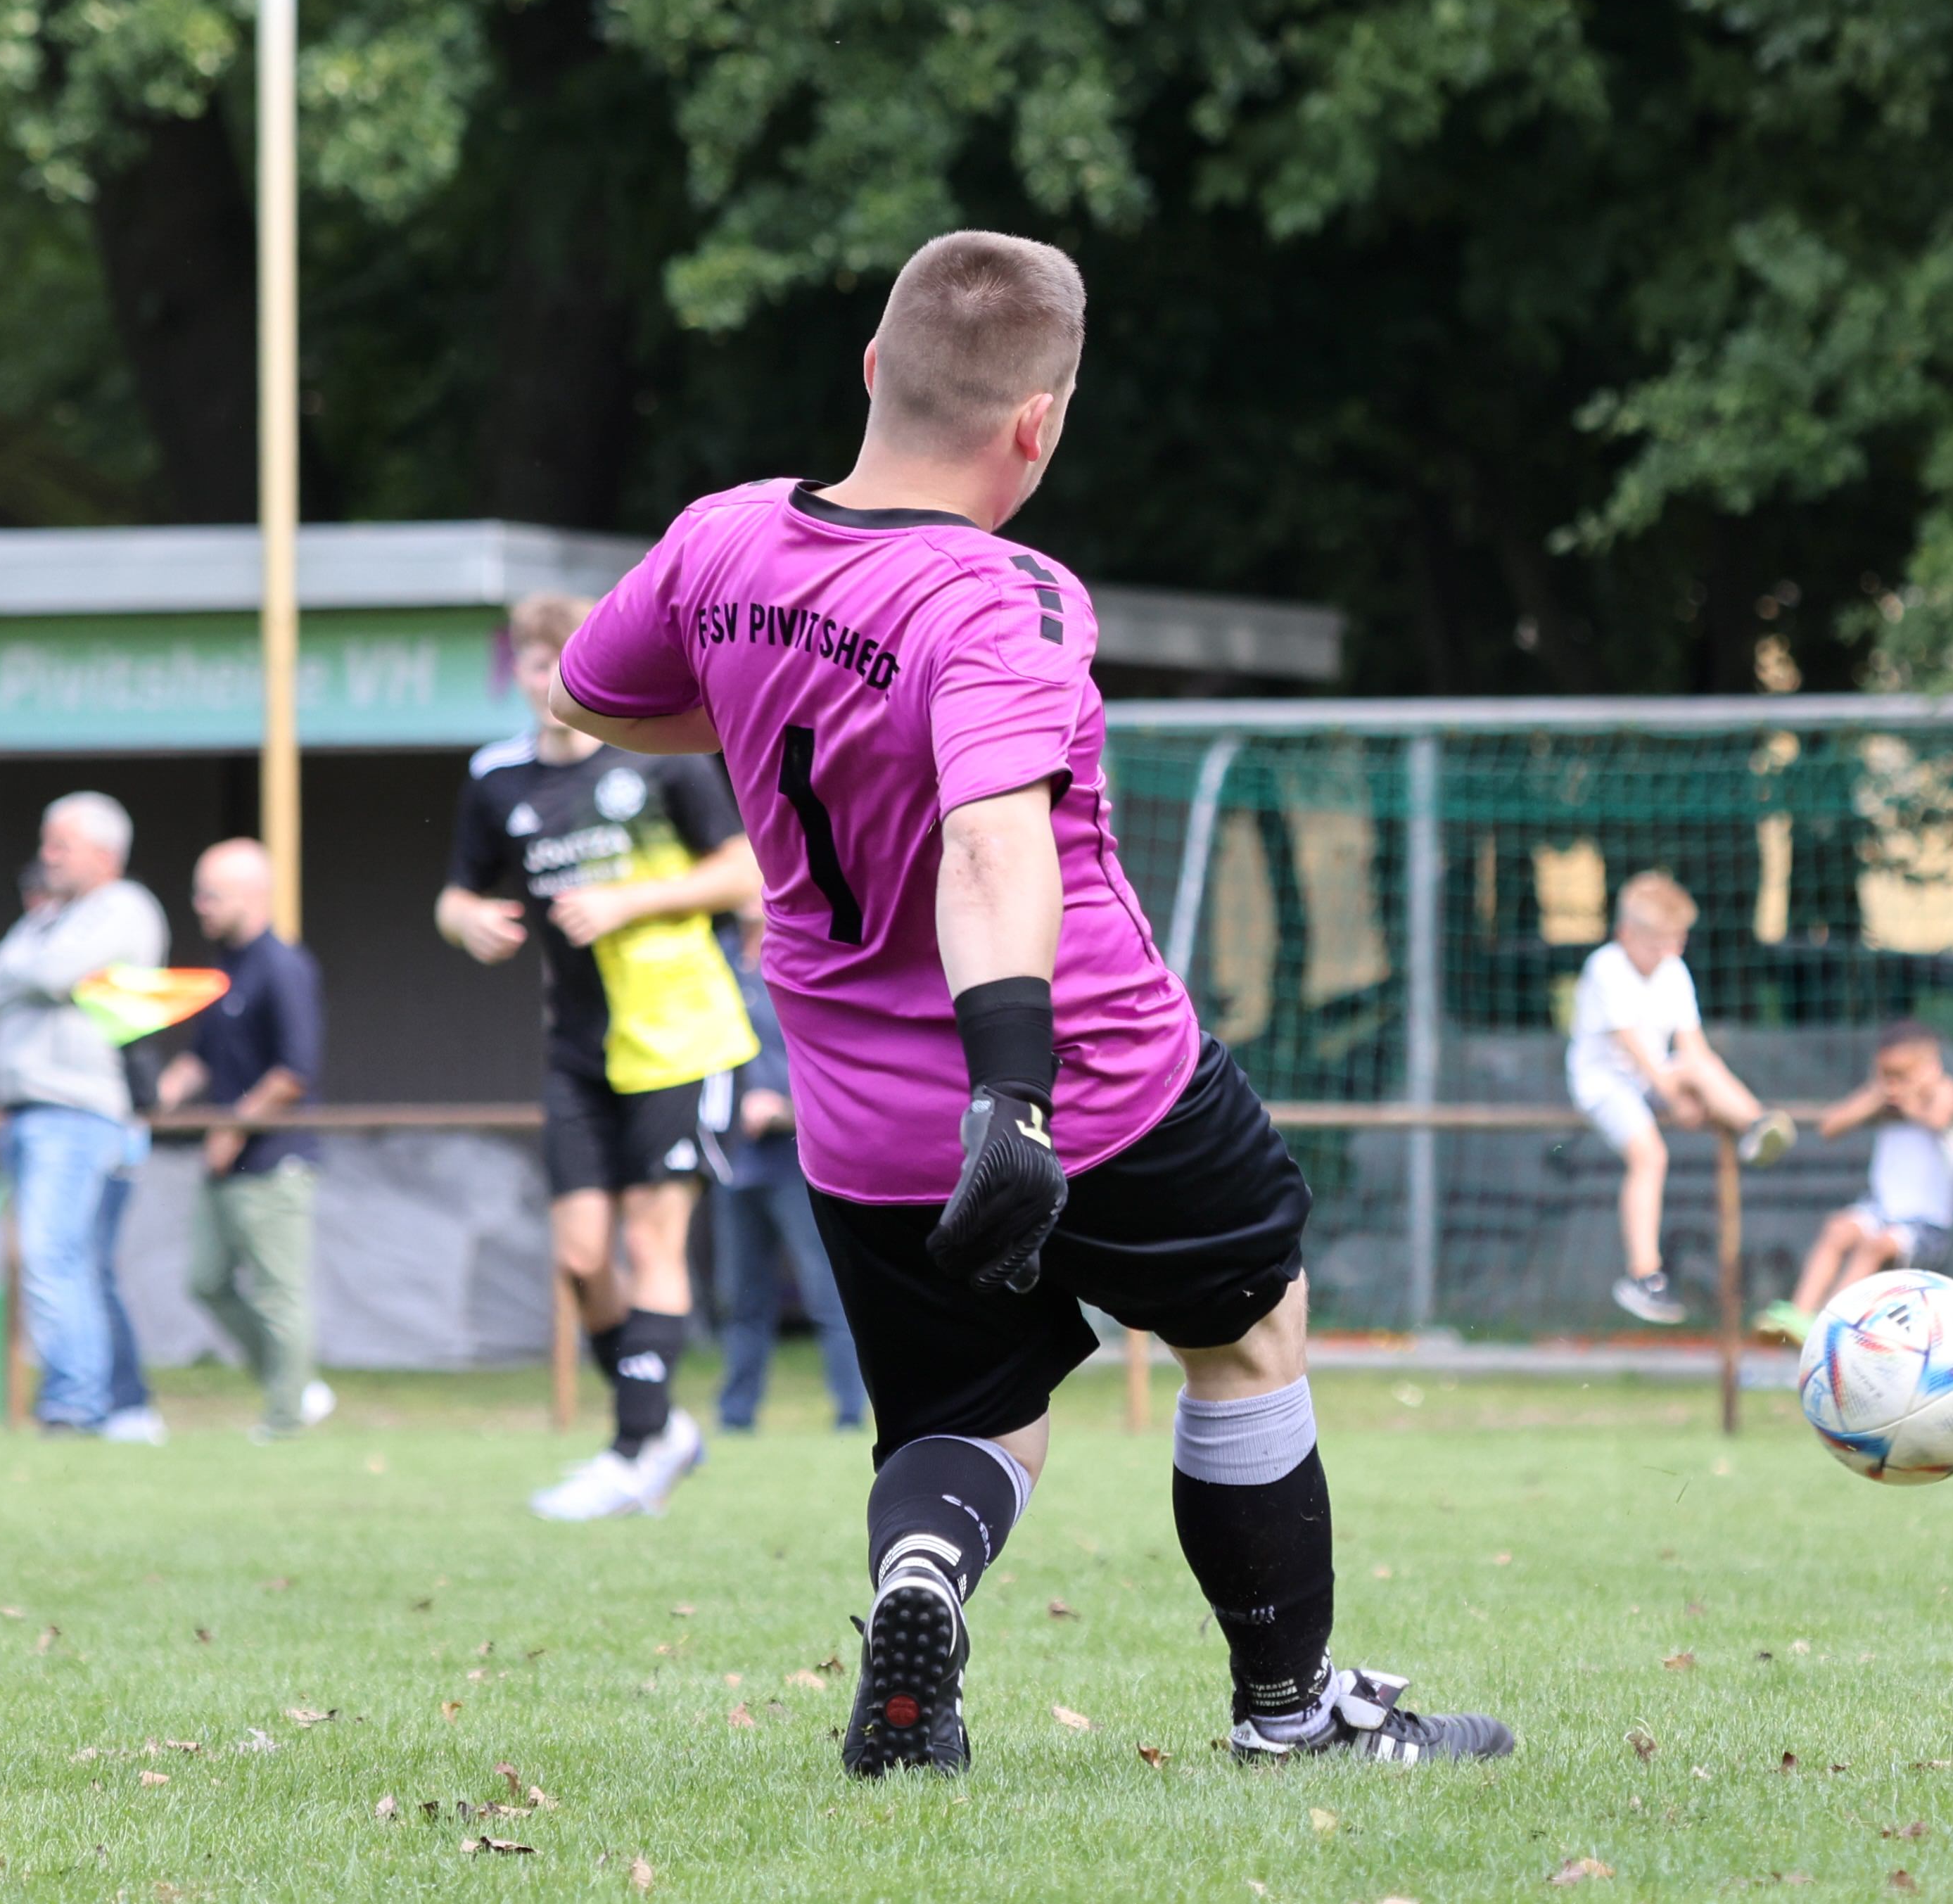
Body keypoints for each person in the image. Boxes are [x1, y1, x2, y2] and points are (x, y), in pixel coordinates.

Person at [549, 227, 1513, 1775]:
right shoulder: (1008, 596)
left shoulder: (721, 541)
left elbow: (585, 695)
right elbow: (995, 847)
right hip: (1093, 1074)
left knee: (963, 1407)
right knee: (1248, 1329)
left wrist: (762, 699)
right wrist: (1013, 1093)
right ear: (1036, 421)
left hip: (862, 1117)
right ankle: (1287, 1711)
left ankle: (921, 1580)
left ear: (874, 363)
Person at [440, 589, 762, 1521]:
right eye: (533, 662)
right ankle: (660, 1430)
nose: (548, 679)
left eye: (564, 660)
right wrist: (468, 921)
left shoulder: (660, 759)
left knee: (653, 1240)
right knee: (582, 1256)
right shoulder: (497, 779)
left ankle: (633, 1445)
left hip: (679, 1034)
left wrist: (628, 901)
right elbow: (455, 895)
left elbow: (745, 872)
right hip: (578, 1045)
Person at [0, 792, 171, 1441]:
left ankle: (76, 1405)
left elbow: (50, 974)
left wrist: (24, 974)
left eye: (61, 845)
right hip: (28, 1111)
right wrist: (26, 973)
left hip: (78, 1113)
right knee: (80, 1264)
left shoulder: (124, 906)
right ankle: (122, 1404)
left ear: (104, 854)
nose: (46, 856)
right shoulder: (52, 916)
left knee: (54, 1256)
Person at [155, 839, 332, 1443]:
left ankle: (286, 1416)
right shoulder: (224, 968)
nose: (199, 904)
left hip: (276, 1159)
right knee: (206, 1280)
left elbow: (294, 1070)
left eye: (211, 894)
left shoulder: (284, 966)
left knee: (281, 1292)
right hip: (225, 1163)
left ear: (252, 895)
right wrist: (161, 1091)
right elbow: (203, 1055)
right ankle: (297, 1386)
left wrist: (234, 1125)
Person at [1565, 872, 1798, 1325]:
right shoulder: (1606, 966)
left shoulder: (1673, 970)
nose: (1669, 953)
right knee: (1649, 1155)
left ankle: (1755, 1124)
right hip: (1605, 1084)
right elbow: (1629, 1042)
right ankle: (1643, 1276)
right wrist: (1673, 1095)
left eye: (1676, 942)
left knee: (1702, 1067)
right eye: (1657, 945)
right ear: (1626, 934)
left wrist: (1701, 1092)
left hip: (1651, 1079)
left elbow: (1693, 1046)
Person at [711, 920, 866, 1436]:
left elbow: (840, 1055)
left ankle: (852, 1413)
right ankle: (735, 1416)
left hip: (801, 1159)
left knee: (828, 1291)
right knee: (741, 1297)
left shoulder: (807, 951)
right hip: (735, 1160)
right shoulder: (713, 955)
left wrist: (783, 1106)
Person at [1761, 1020, 1953, 1340]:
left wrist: (1909, 1102)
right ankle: (1799, 1313)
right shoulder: (1883, 1095)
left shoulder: (1944, 1089)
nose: (1892, 1084)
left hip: (1926, 1225)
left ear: (1931, 1068)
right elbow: (1830, 1127)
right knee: (1838, 1228)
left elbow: (1940, 1118)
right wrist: (1874, 1098)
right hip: (1881, 1209)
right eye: (1886, 1075)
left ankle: (1828, 1321)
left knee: (1875, 1245)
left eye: (1902, 1075)